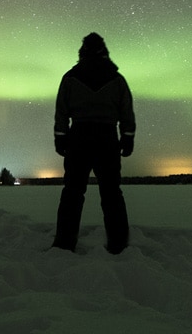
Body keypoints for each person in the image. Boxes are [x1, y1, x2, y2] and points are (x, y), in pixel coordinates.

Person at [51, 32, 135, 253]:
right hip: (107, 139)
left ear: (82, 52)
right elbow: (126, 111)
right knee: (111, 193)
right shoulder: (117, 80)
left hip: (79, 138)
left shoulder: (70, 78)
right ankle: (119, 244)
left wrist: (61, 137)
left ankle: (64, 243)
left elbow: (61, 111)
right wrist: (127, 136)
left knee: (72, 192)